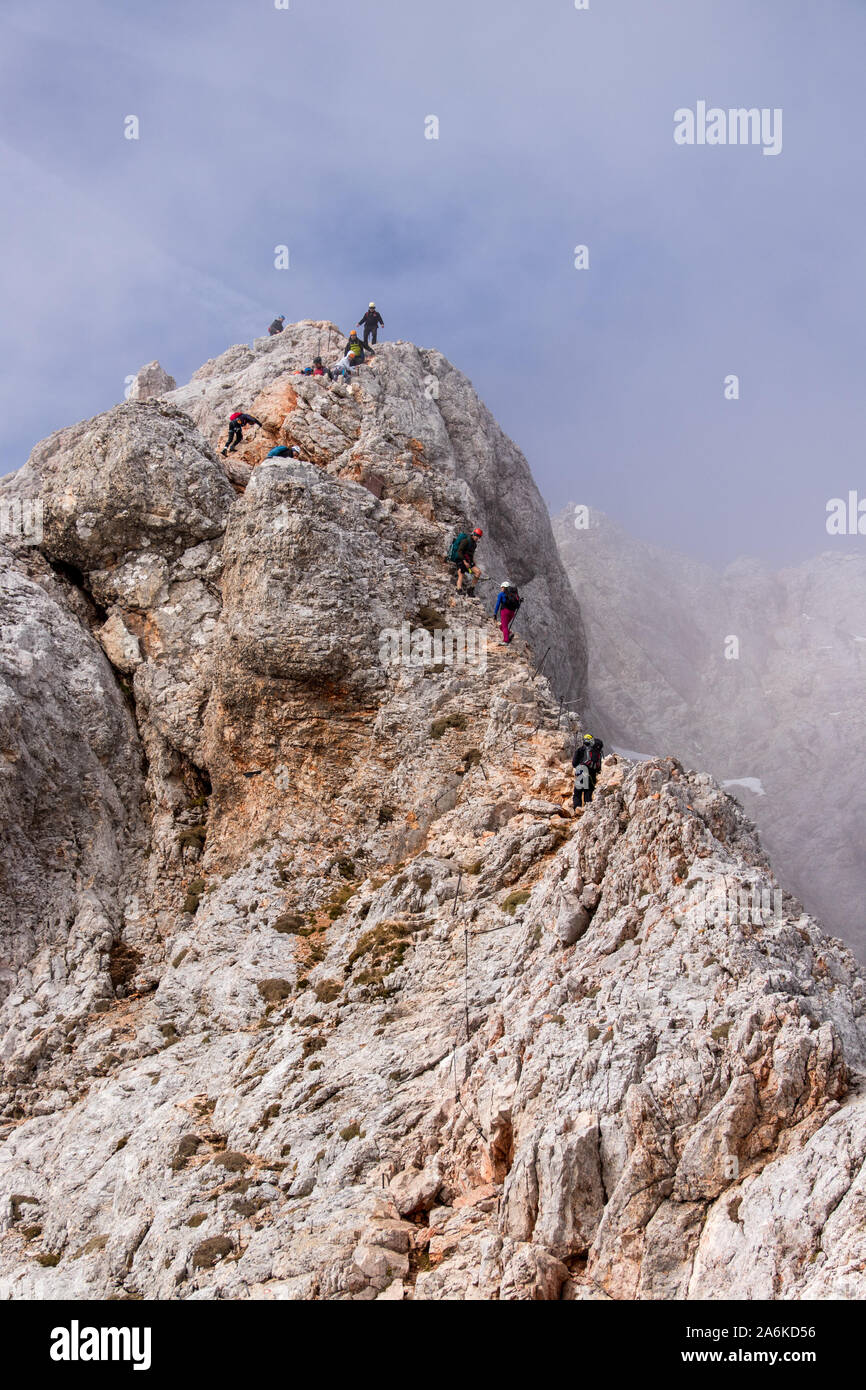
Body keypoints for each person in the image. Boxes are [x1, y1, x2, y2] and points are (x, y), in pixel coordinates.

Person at [572, 733, 604, 807]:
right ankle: (587, 811)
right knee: (588, 794)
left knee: (577, 794)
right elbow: (599, 767)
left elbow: (574, 763)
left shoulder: (580, 750)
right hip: (592, 775)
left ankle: (577, 810)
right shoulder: (597, 751)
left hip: (582, 772)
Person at [449, 527, 483, 592]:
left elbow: (471, 555)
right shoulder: (466, 541)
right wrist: (464, 562)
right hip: (460, 559)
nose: (477, 538)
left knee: (478, 572)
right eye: (477, 536)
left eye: (479, 537)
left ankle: (471, 589)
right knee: (461, 573)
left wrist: (472, 562)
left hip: (468, 561)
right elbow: (459, 551)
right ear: (474, 534)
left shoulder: (474, 544)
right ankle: (458, 589)